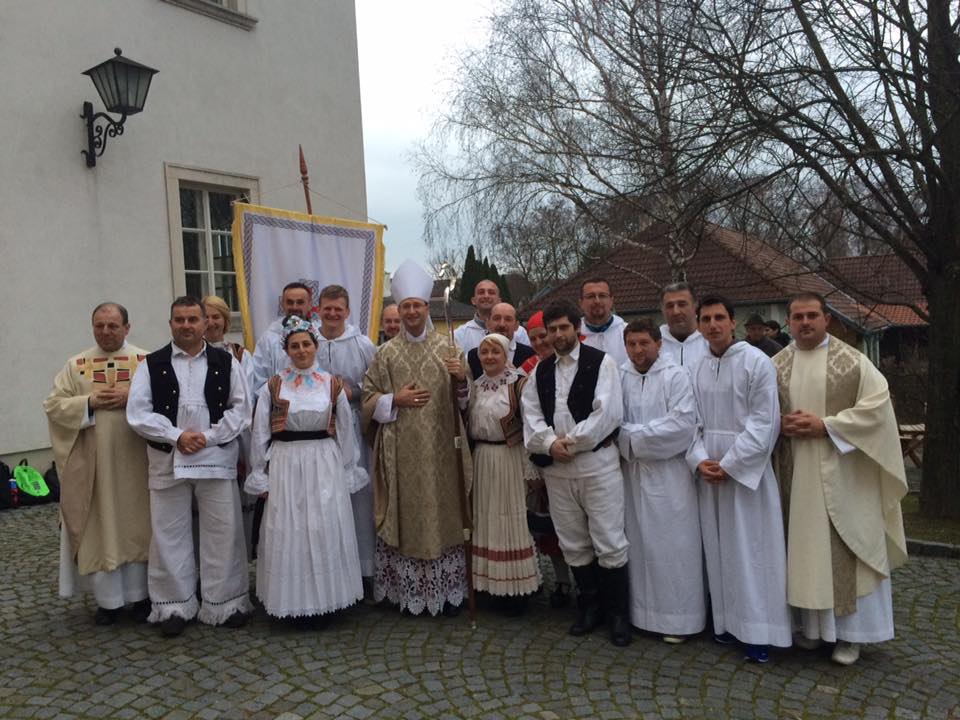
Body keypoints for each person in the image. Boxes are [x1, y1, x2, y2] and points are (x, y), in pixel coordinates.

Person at [773, 293, 908, 665]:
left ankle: (852, 636)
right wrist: (778, 424)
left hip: (845, 476)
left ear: (826, 320)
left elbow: (877, 411)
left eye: (812, 316)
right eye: (797, 316)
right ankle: (814, 630)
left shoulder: (854, 363)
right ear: (788, 322)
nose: (804, 323)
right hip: (794, 474)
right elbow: (758, 412)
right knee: (803, 551)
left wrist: (826, 426)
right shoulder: (775, 364)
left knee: (848, 549)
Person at [127, 296, 253, 637]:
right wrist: (176, 435)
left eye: (192, 320)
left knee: (223, 530)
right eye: (179, 320)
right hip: (167, 458)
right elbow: (138, 412)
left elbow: (240, 409)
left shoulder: (226, 361)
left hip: (215, 457)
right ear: (170, 323)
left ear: (204, 323)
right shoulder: (150, 364)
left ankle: (226, 602)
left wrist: (209, 438)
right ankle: (173, 605)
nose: (186, 325)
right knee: (169, 532)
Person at [362, 259, 473, 616]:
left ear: (427, 308)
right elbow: (367, 399)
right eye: (406, 306)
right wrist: (396, 399)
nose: (412, 312)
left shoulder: (450, 349)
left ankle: (447, 592)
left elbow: (465, 403)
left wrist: (460, 380)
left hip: (443, 449)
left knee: (445, 514)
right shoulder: (386, 353)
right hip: (400, 453)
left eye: (417, 306)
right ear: (399, 309)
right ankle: (403, 593)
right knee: (405, 516)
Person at [685, 295, 792, 663]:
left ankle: (759, 631)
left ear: (734, 322)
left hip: (746, 473)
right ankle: (726, 624)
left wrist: (729, 464)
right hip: (709, 472)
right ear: (699, 325)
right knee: (717, 550)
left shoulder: (756, 362)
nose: (712, 325)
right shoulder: (695, 368)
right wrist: (700, 460)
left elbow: (766, 422)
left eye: (719, 318)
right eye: (706, 319)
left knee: (751, 552)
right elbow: (690, 422)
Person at [522, 300, 631, 646]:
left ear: (576, 329)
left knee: (609, 540)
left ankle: (618, 615)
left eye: (563, 328)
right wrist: (549, 443)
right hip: (558, 471)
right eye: (551, 329)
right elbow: (532, 414)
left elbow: (608, 412)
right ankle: (589, 607)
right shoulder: (540, 371)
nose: (557, 334)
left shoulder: (602, 363)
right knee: (573, 541)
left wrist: (573, 442)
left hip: (596, 466)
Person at [246, 317, 366, 622]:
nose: (301, 351)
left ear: (316, 346)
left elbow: (345, 430)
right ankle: (292, 603)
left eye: (306, 344)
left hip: (323, 462)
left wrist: (347, 467)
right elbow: (260, 432)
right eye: (295, 346)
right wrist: (260, 471)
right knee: (291, 527)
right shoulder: (273, 386)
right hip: (286, 462)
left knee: (322, 525)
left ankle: (328, 599)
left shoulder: (332, 384)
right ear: (286, 349)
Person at [44, 302, 151, 626]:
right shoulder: (76, 365)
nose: (105, 331)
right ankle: (109, 602)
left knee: (139, 526)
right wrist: (88, 402)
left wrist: (131, 397)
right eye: (99, 326)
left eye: (113, 326)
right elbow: (53, 405)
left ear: (127, 328)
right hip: (94, 467)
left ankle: (141, 598)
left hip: (138, 464)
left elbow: (165, 400)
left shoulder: (145, 362)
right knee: (100, 526)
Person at [617, 319, 704, 643]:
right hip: (633, 475)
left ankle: (679, 620)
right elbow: (614, 420)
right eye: (632, 344)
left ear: (658, 343)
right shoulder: (621, 375)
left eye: (644, 343)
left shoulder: (675, 376)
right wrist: (630, 436)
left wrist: (632, 437)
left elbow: (681, 426)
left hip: (670, 476)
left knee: (674, 546)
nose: (638, 350)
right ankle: (643, 615)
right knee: (639, 545)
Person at [468, 333, 541, 615]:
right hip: (483, 458)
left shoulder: (519, 384)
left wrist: (530, 468)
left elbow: (530, 426)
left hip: (509, 457)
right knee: (485, 521)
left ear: (505, 355)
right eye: (484, 352)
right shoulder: (476, 387)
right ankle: (488, 585)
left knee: (510, 520)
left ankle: (514, 591)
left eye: (494, 352)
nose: (488, 357)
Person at [314, 285, 378, 597]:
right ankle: (329, 568)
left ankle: (364, 569)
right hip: (316, 432)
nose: (333, 313)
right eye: (327, 308)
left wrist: (350, 392)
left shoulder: (362, 343)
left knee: (358, 497)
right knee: (323, 497)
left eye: (338, 309)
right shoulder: (308, 340)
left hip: (351, 425)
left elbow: (376, 382)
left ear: (347, 312)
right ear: (319, 310)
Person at [520, 310, 572, 608]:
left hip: (572, 452)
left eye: (544, 335)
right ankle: (563, 581)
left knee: (577, 526)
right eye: (534, 337)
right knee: (549, 529)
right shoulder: (527, 368)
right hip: (541, 456)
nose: (541, 342)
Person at [203, 294, 257, 557]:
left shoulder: (239, 354)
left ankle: (237, 562)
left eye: (217, 317)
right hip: (201, 435)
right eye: (206, 316)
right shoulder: (190, 354)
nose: (211, 322)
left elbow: (248, 396)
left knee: (234, 504)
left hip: (236, 434)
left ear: (225, 322)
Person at [251, 282, 318, 391]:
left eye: (300, 302)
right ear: (282, 304)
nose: (294, 307)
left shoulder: (320, 335)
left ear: (310, 304)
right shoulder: (269, 338)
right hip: (281, 403)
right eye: (290, 302)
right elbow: (258, 379)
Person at [454, 279, 530, 354]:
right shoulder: (459, 334)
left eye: (491, 292)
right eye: (481, 292)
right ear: (473, 300)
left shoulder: (519, 332)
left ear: (499, 300)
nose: (486, 296)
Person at [466, 302, 535, 379]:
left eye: (508, 319)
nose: (502, 324)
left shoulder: (530, 355)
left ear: (516, 326)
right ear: (488, 323)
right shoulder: (474, 356)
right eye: (497, 318)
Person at [658, 282, 709, 370]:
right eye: (669, 306)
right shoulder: (654, 342)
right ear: (662, 309)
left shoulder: (710, 339)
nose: (676, 312)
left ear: (695, 305)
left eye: (682, 304)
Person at [579, 278, 627, 366]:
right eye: (590, 296)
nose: (597, 301)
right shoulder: (573, 336)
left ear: (611, 300)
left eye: (602, 296)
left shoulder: (627, 332)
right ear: (581, 303)